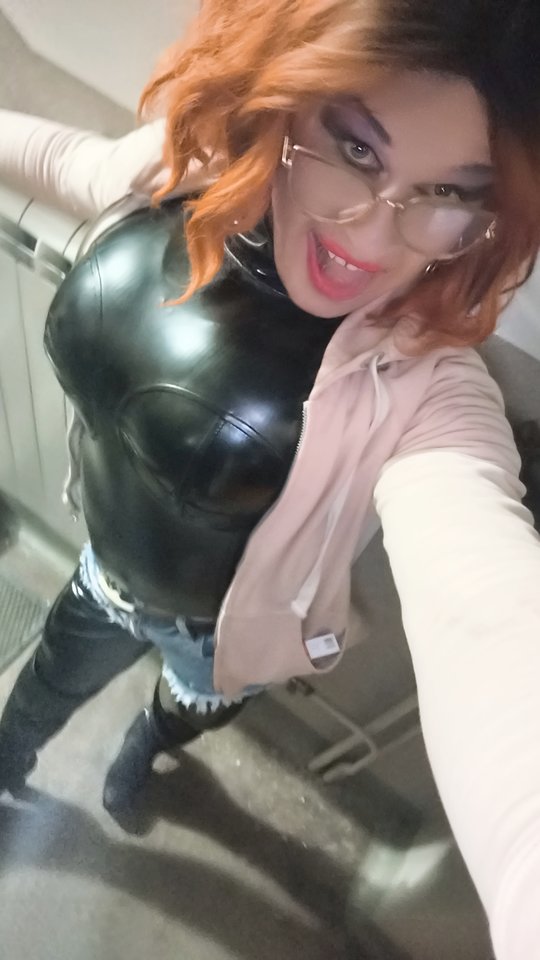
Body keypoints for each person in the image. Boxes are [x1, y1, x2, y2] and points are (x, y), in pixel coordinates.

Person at [1, 1, 540, 956]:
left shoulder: (426, 386)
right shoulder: (188, 178)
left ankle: (148, 753)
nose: (375, 235)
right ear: (287, 99)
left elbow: (489, 615)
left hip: (219, 638)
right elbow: (70, 163)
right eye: (357, 149)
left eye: (449, 194)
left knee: (183, 713)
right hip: (109, 571)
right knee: (45, 683)